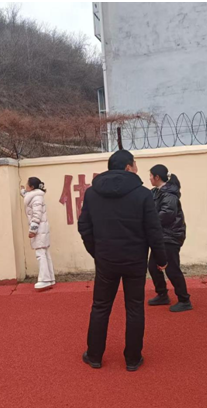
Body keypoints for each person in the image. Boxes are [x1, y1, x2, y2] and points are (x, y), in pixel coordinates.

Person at [78, 150, 167, 371]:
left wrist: (96, 252)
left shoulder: (92, 193)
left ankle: (94, 355)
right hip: (134, 261)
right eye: (135, 164)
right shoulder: (143, 194)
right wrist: (161, 258)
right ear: (128, 167)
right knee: (134, 308)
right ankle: (133, 359)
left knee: (100, 307)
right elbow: (153, 230)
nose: (137, 168)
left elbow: (84, 227)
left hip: (106, 260)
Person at [146, 165, 192, 312]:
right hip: (161, 236)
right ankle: (162, 295)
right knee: (153, 267)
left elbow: (167, 214)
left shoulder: (169, 194)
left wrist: (148, 222)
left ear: (157, 177)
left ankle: (184, 300)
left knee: (172, 268)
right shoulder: (156, 192)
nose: (149, 178)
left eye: (151, 175)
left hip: (171, 236)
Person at [21, 177, 56, 291]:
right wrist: (23, 191)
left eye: (27, 184)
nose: (26, 186)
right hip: (42, 229)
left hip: (39, 229)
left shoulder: (36, 198)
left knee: (40, 254)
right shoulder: (36, 196)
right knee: (45, 252)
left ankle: (44, 280)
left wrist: (33, 230)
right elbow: (27, 196)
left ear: (32, 187)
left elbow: (37, 215)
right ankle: (50, 278)